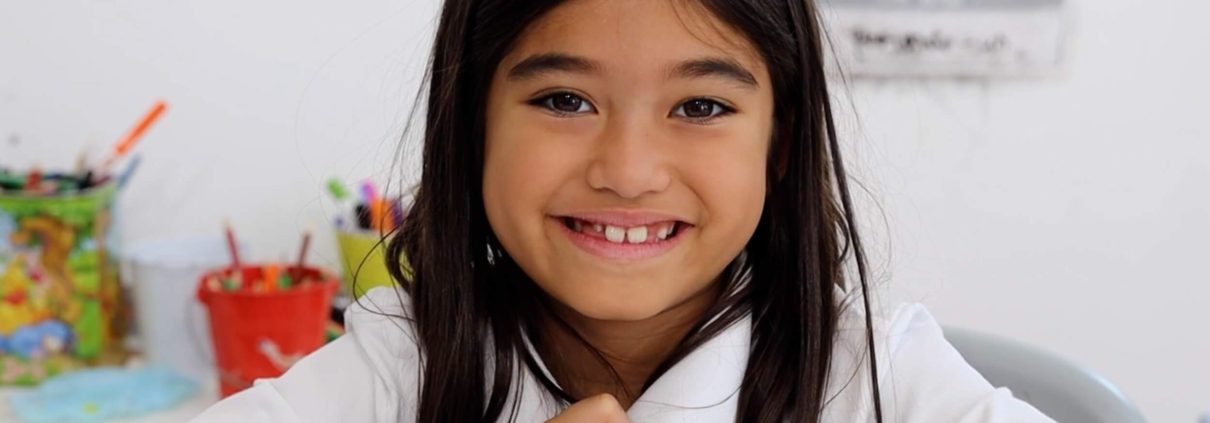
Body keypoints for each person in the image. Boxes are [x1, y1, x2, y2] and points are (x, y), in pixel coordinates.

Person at [193, 0, 1054, 421]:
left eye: (703, 107)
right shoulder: (396, 365)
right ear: (472, 128)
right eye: (565, 100)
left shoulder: (879, 376)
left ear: (779, 145)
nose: (629, 173)